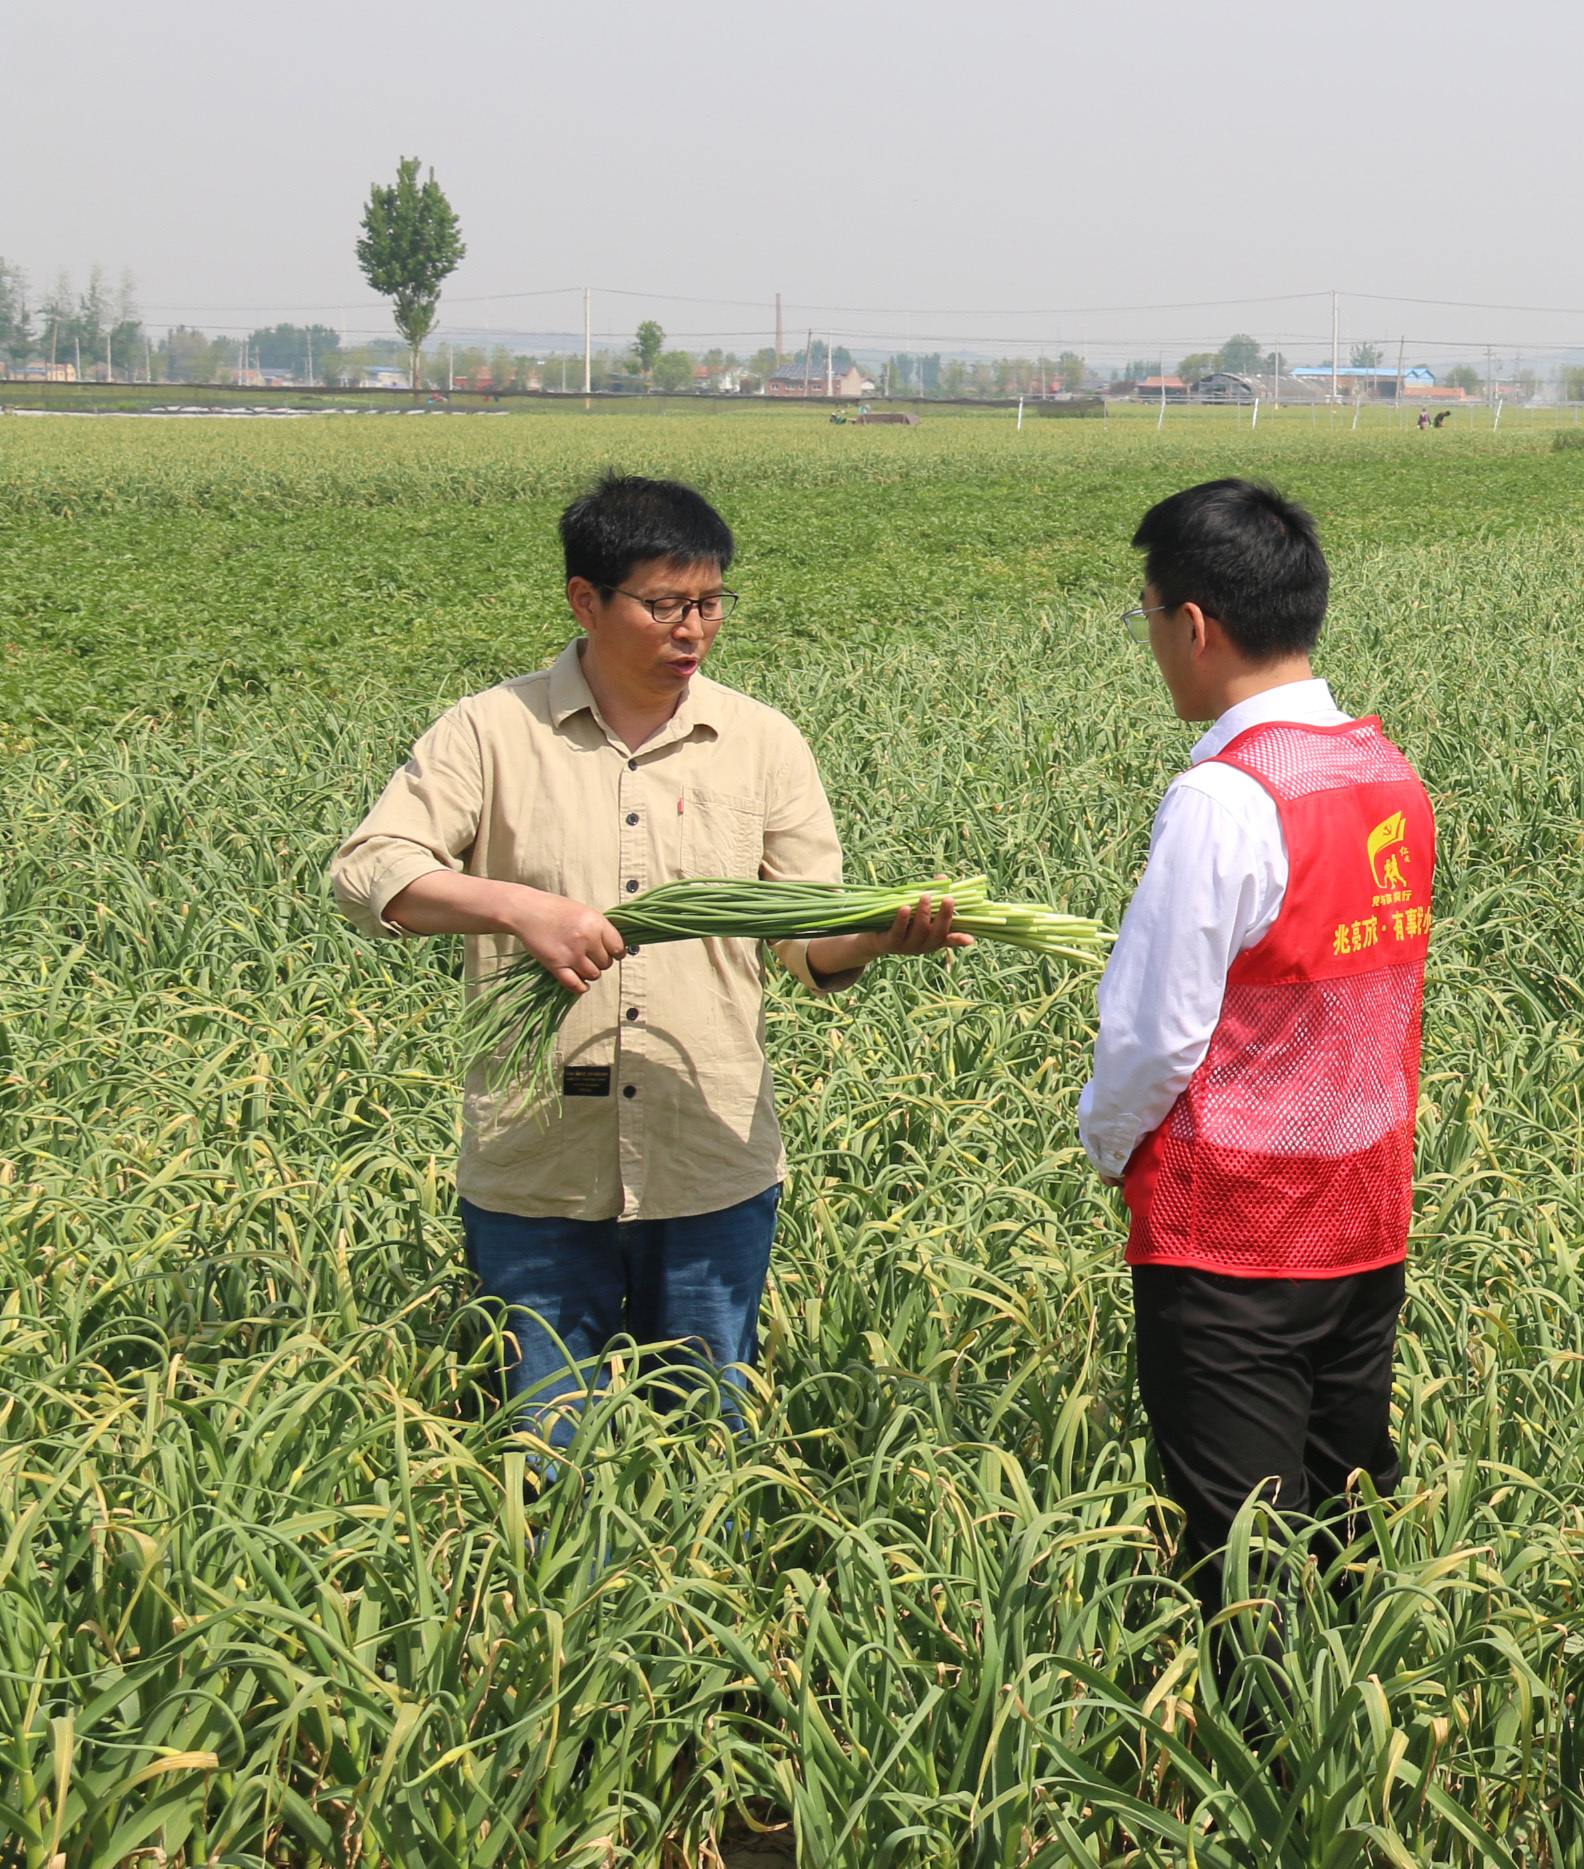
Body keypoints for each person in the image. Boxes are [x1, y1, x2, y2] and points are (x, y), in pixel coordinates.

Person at [331, 473, 963, 1439]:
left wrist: (880, 931)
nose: (693, 630)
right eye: (664, 604)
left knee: (709, 1440)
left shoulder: (760, 743)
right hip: (537, 1167)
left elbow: (804, 933)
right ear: (586, 599)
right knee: (545, 1445)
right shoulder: (491, 732)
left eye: (710, 603)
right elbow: (369, 869)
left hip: (706, 1162)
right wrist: (518, 907)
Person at [1079, 478, 1435, 1625]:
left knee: (1241, 1561)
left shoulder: (1227, 798)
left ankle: (1260, 1787)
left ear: (1195, 623)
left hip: (1229, 1235)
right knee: (1346, 1523)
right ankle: (1351, 1760)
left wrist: (1106, 1145)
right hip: (1363, 1215)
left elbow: (1153, 1036)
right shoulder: (1388, 774)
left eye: (1147, 615)